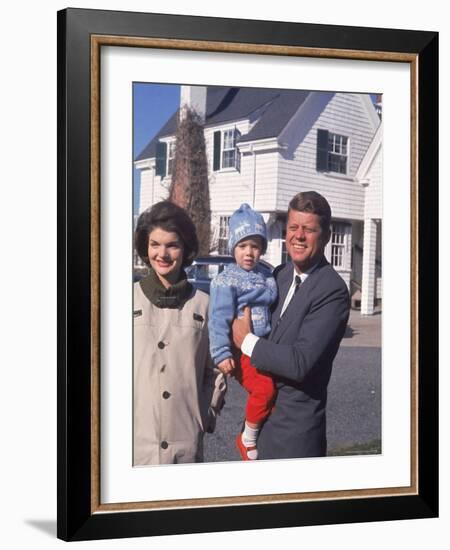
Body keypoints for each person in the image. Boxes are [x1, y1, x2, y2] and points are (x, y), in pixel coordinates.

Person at [232, 191, 350, 459]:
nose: (298, 236)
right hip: (259, 425)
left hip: (294, 438)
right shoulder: (279, 275)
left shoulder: (333, 290)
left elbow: (300, 362)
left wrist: (246, 341)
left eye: (308, 229)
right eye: (293, 227)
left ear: (326, 236)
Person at [133, 201, 226, 465]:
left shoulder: (204, 305)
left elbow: (215, 370)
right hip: (135, 448)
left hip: (186, 448)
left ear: (185, 249)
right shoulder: (124, 301)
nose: (162, 253)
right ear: (145, 247)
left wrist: (206, 414)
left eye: (172, 245)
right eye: (155, 244)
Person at [208, 204, 278, 460]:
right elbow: (218, 319)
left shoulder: (267, 276)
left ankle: (261, 429)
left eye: (255, 246)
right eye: (242, 246)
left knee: (273, 391)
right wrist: (221, 354)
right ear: (233, 248)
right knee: (265, 390)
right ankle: (246, 437)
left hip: (262, 346)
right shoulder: (226, 280)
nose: (249, 253)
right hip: (239, 351)